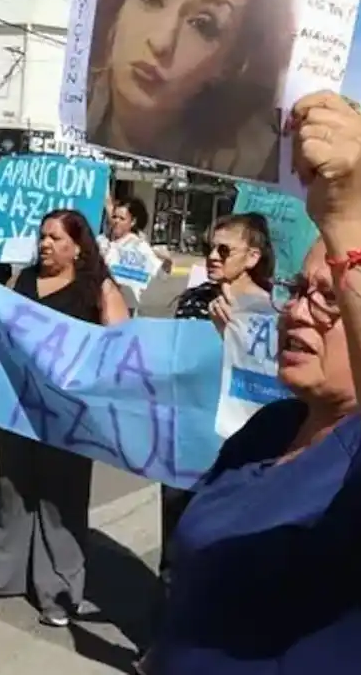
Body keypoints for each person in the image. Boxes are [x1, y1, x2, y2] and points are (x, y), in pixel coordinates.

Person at [146, 91, 361, 675]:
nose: (301, 312)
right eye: (300, 290)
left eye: (332, 299)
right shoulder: (273, 427)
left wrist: (343, 217)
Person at [0, 209, 129, 627]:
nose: (45, 245)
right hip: (18, 406)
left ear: (78, 246)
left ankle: (59, 591)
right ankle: (3, 575)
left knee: (62, 500)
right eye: (42, 237)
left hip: (69, 416)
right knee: (13, 490)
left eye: (56, 238)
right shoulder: (23, 281)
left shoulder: (96, 288)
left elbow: (121, 344)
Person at [137, 212, 274, 673]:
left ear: (252, 257)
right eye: (210, 248)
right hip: (182, 439)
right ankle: (163, 649)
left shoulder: (270, 314)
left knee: (220, 555)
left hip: (234, 450)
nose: (212, 258)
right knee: (174, 553)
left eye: (224, 251)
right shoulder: (193, 299)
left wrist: (231, 335)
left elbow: (267, 386)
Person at [86, 0, 295, 180]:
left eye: (202, 24)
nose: (161, 41)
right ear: (121, 2)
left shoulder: (253, 164)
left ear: (230, 64)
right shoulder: (62, 104)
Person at [99, 195, 172, 314]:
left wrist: (168, 261)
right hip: (99, 304)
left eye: (122, 218)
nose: (116, 221)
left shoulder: (139, 246)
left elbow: (162, 274)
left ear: (132, 222)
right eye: (114, 217)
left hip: (125, 309)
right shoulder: (101, 241)